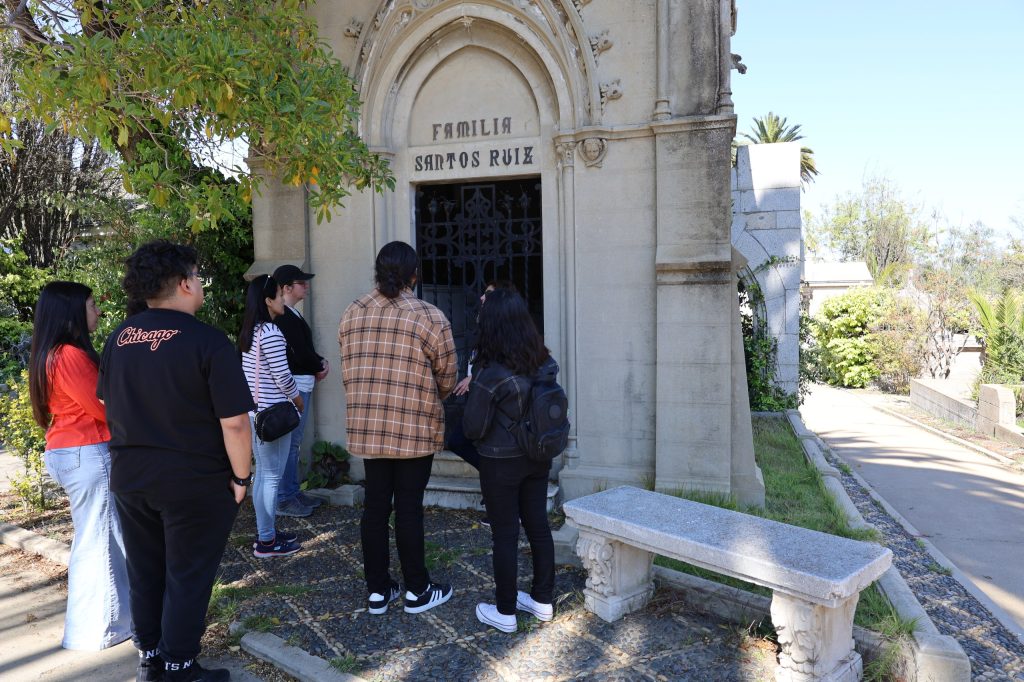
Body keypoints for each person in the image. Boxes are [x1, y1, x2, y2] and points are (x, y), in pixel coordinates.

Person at [98, 240, 255, 682]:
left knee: (145, 570)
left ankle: (151, 658)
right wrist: (241, 477)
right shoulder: (207, 341)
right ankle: (180, 667)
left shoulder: (119, 338)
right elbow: (236, 424)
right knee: (187, 574)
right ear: (185, 283)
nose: (200, 284)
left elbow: (109, 402)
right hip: (192, 480)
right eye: (198, 276)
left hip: (131, 476)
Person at [338, 240, 458, 615]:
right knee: (409, 508)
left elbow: (347, 369)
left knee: (375, 507)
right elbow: (448, 378)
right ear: (414, 274)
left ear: (378, 271)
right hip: (414, 427)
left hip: (369, 426)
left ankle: (378, 590)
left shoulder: (352, 313)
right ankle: (417, 591)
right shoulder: (430, 316)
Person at [27, 281, 132, 651]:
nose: (97, 312)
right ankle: (100, 629)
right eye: (91, 305)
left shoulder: (49, 354)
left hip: (71, 451)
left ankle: (113, 621)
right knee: (99, 543)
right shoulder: (68, 355)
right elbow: (104, 407)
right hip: (87, 452)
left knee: (100, 539)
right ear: (71, 311)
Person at [462, 288, 558, 633]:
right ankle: (543, 601)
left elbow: (473, 427)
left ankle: (504, 612)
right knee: (537, 526)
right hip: (538, 454)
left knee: (504, 534)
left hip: (501, 462)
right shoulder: (542, 359)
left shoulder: (491, 372)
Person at [239, 274, 305, 558]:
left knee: (263, 476)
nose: (282, 301)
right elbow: (283, 377)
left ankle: (266, 535)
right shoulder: (271, 333)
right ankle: (267, 541)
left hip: (255, 414)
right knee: (271, 477)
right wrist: (298, 400)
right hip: (274, 415)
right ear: (268, 301)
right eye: (279, 295)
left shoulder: (250, 332)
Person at [270, 264, 329, 518]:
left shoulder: (291, 313)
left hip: (301, 385)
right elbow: (297, 352)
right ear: (286, 288)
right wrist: (318, 365)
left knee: (294, 444)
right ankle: (284, 499)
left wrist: (319, 361)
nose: (306, 287)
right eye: (301, 283)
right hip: (293, 388)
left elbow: (304, 347)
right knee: (290, 445)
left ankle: (292, 492)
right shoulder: (283, 315)